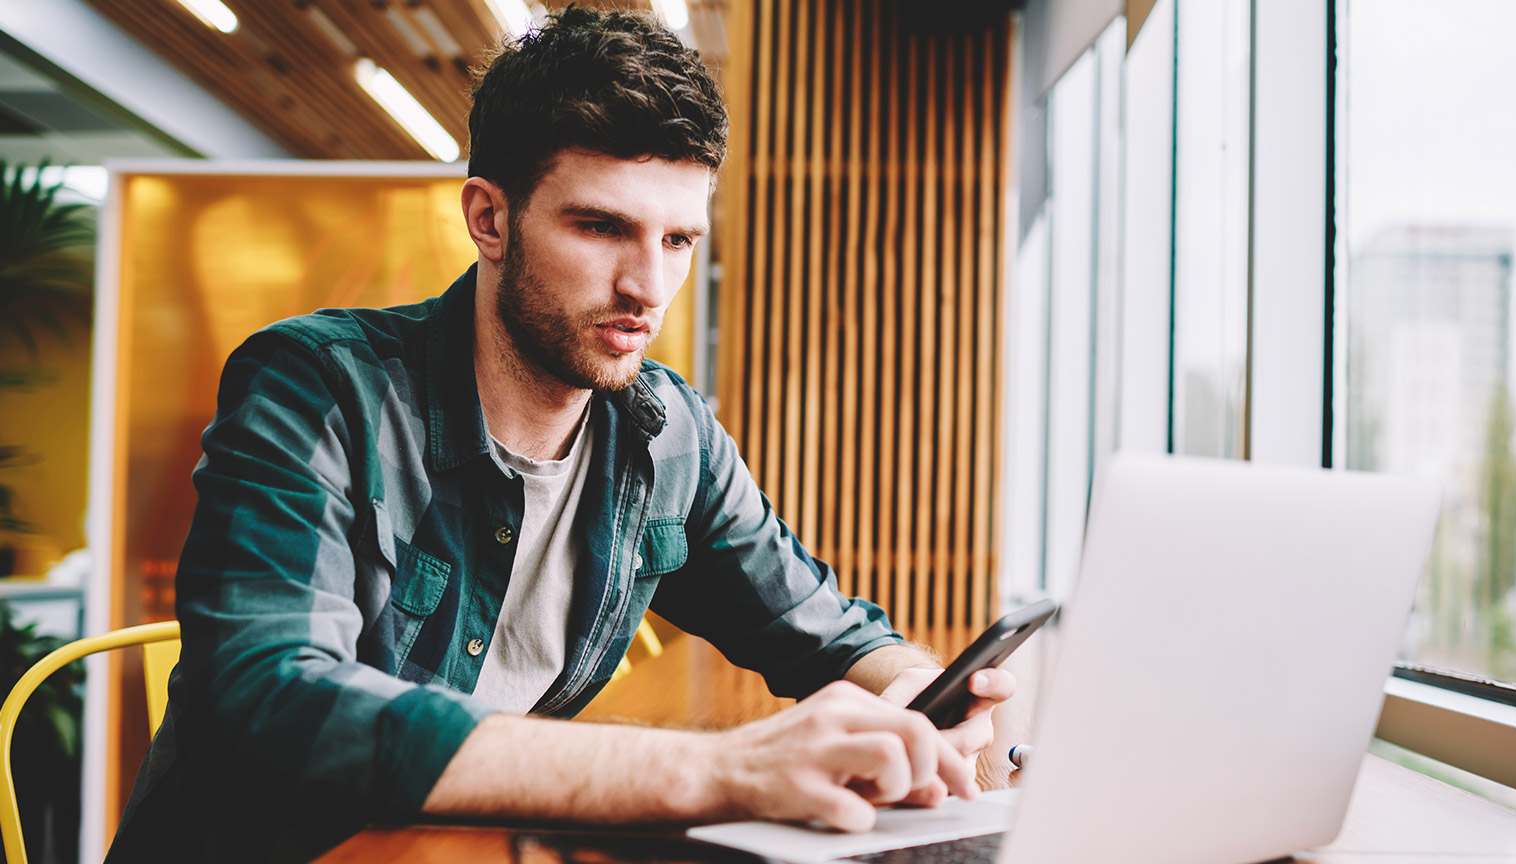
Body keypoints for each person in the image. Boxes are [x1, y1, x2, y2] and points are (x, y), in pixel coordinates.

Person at [107, 8, 1014, 861]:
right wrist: (721, 769)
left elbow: (827, 633)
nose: (647, 287)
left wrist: (919, 696)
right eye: (602, 227)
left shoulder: (668, 437)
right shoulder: (317, 384)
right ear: (489, 218)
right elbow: (272, 702)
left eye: (677, 241)